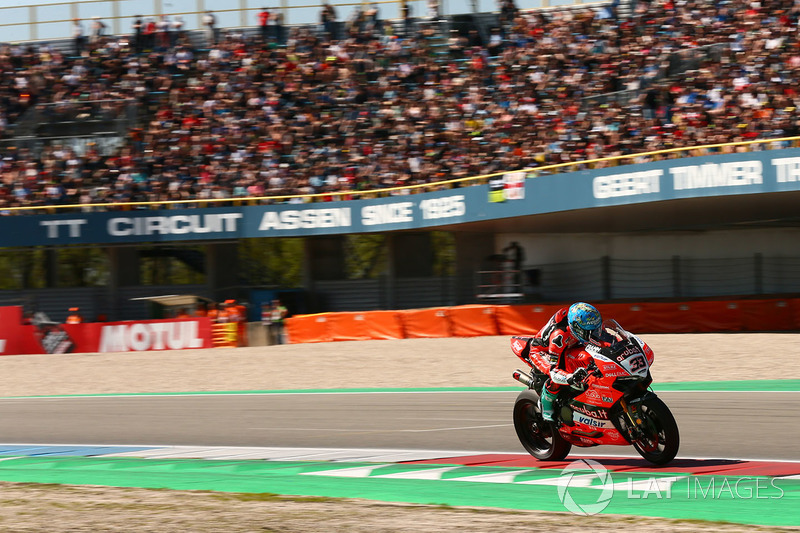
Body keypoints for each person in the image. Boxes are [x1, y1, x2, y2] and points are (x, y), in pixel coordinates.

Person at [524, 302, 603, 422]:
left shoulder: (581, 319)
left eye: (596, 329)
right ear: (576, 328)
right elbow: (555, 370)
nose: (594, 334)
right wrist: (569, 377)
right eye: (589, 332)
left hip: (571, 344)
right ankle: (546, 405)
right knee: (557, 377)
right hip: (542, 351)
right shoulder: (558, 337)